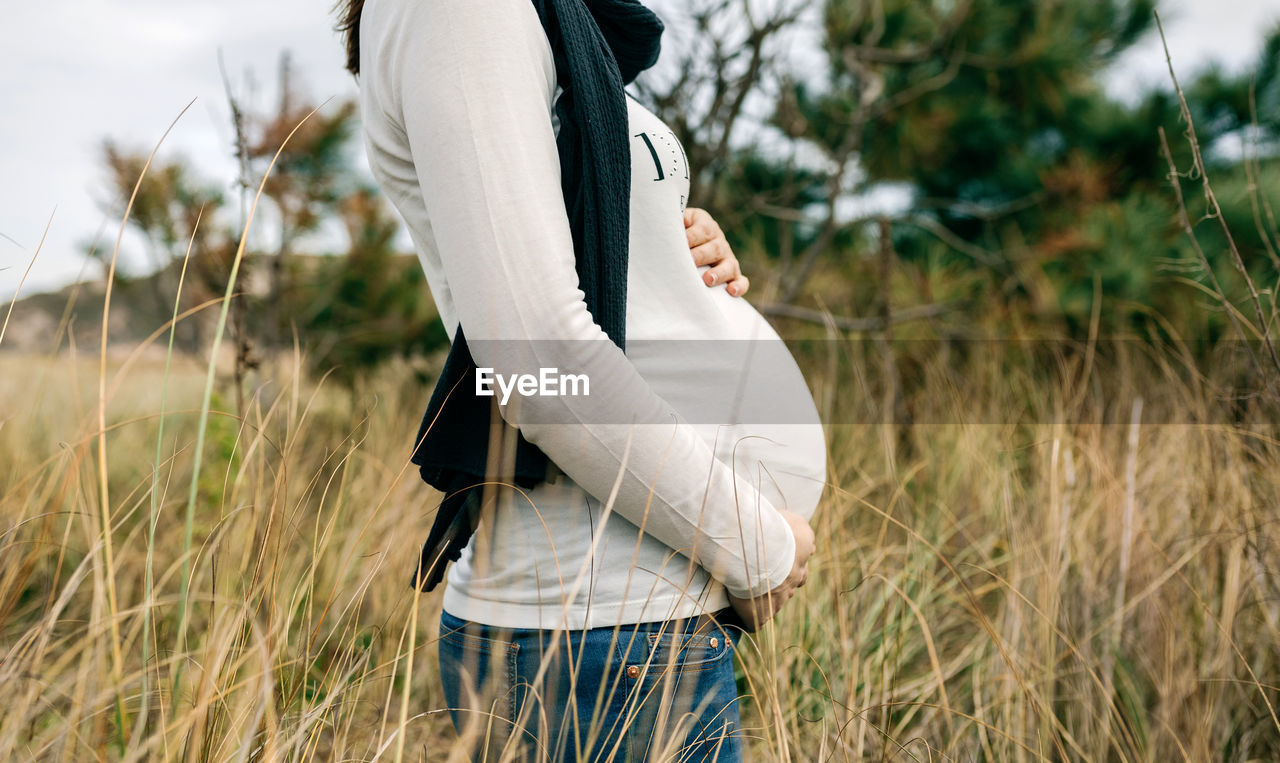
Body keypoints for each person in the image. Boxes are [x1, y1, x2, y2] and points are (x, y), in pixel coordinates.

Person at [339, 0, 827, 758]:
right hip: (600, 624)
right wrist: (759, 546)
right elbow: (537, 364)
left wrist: (673, 250)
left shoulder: (539, 19)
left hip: (624, 619)